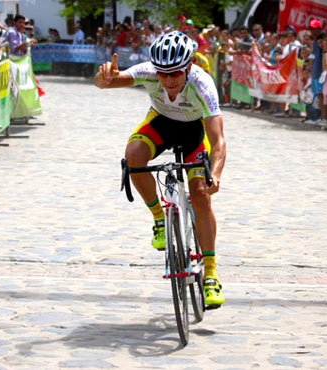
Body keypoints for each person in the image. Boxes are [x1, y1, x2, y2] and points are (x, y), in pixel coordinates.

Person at [94, 31, 226, 307]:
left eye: (176, 72)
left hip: (193, 133)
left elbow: (218, 140)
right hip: (161, 124)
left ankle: (211, 275)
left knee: (201, 194)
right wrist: (103, 76)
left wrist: (215, 173)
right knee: (133, 155)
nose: (169, 79)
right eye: (164, 73)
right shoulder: (149, 73)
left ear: (188, 66)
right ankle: (158, 218)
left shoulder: (203, 84)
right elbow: (105, 84)